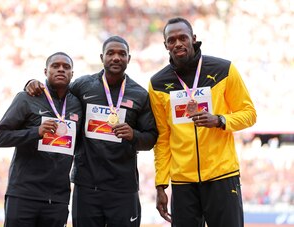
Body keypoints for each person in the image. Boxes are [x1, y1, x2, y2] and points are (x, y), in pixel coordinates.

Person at [25, 36, 158, 227]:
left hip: (123, 188)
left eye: (122, 54)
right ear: (102, 57)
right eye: (111, 53)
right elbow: (55, 93)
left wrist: (134, 135)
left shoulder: (139, 94)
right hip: (86, 186)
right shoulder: (82, 85)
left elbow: (151, 138)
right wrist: (31, 83)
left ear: (129, 59)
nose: (116, 58)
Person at [148, 17, 257, 227]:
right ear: (165, 46)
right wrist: (161, 184)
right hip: (182, 182)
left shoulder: (224, 69)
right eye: (171, 40)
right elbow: (163, 138)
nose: (177, 43)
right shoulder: (157, 84)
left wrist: (219, 120)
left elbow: (249, 113)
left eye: (182, 37)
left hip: (222, 175)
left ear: (193, 39)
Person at [0, 52, 83, 227]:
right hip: (24, 195)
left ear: (72, 74)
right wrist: (35, 132)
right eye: (55, 66)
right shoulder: (27, 97)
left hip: (58, 199)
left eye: (66, 67)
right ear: (45, 71)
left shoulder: (78, 104)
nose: (61, 70)